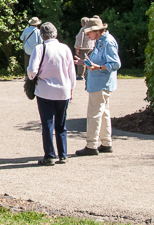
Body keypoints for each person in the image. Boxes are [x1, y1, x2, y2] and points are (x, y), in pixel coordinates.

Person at [27, 22, 76, 166]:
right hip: (63, 91)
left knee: (47, 123)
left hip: (45, 91)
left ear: (42, 36)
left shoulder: (40, 48)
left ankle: (49, 155)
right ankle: (63, 154)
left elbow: (32, 71)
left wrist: (32, 77)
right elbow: (71, 71)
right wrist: (71, 89)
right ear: (56, 34)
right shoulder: (65, 48)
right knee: (61, 124)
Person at [74, 16, 121, 156]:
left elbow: (115, 64)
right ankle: (106, 143)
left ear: (97, 30)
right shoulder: (102, 40)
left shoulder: (107, 42)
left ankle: (91, 144)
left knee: (93, 114)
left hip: (100, 84)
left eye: (89, 32)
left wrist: (98, 67)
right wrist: (86, 63)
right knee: (104, 113)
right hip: (101, 83)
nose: (87, 35)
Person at [73, 17, 95, 81]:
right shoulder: (91, 29)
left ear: (83, 23)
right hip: (91, 47)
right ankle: (87, 74)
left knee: (81, 61)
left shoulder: (83, 29)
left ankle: (80, 75)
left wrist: (78, 48)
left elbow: (80, 39)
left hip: (83, 47)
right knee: (89, 61)